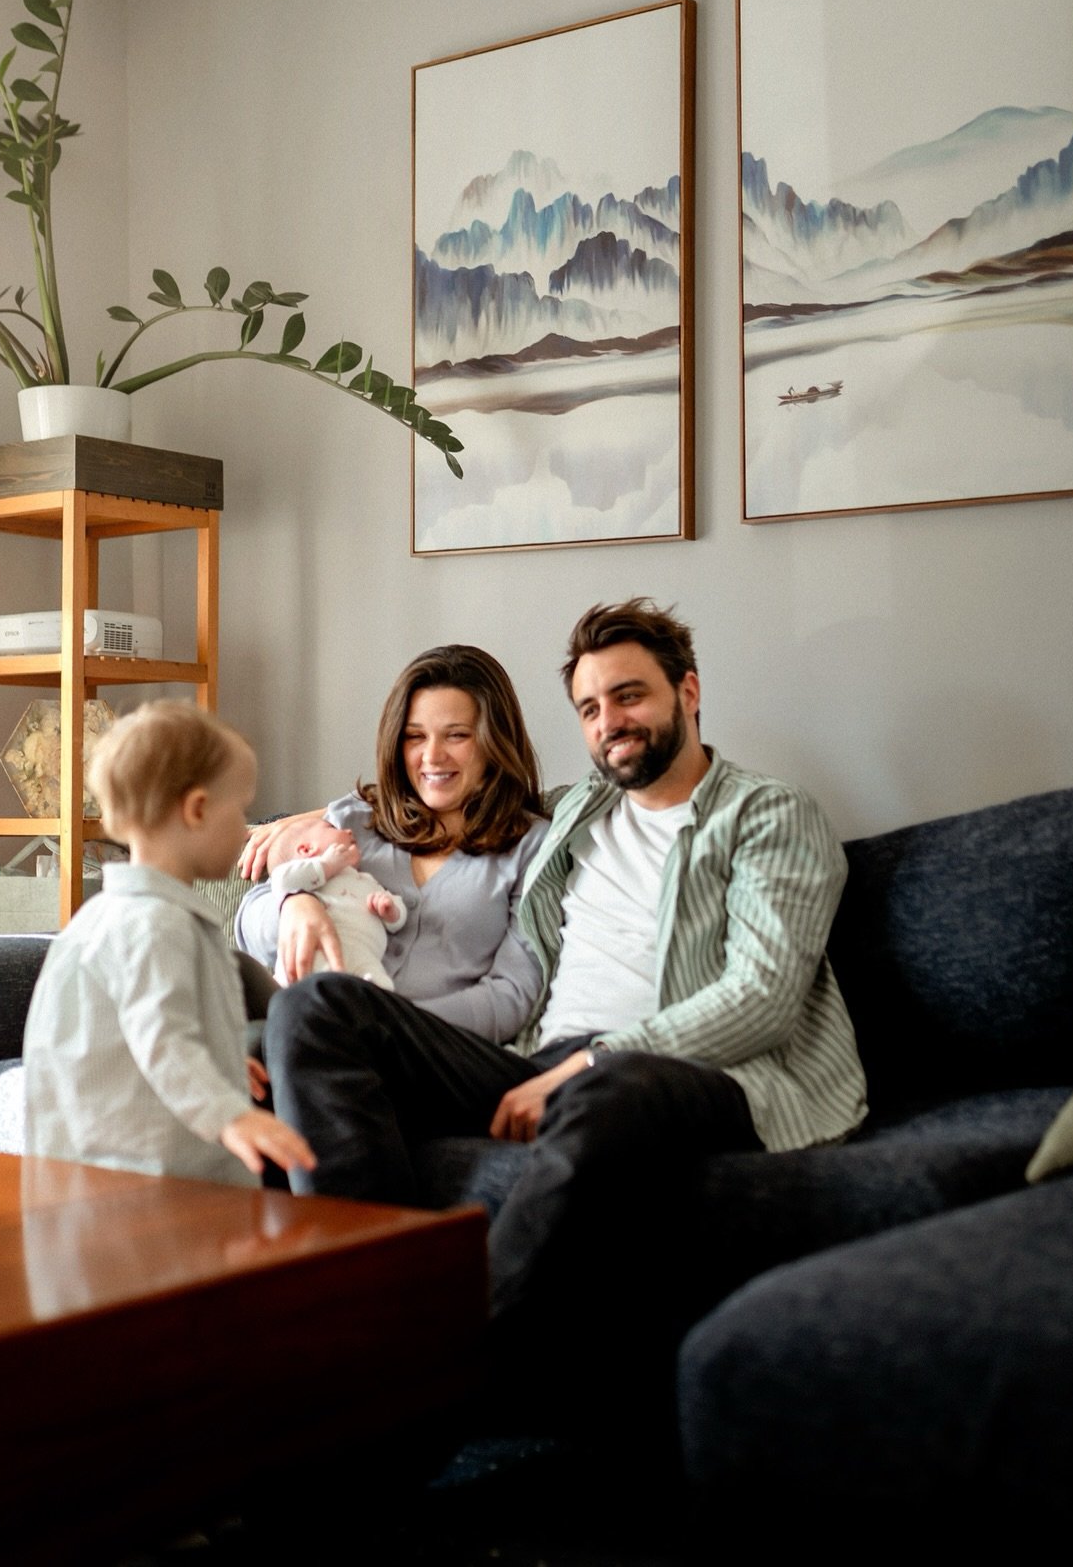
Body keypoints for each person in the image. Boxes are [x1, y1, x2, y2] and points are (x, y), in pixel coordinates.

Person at [263, 599, 867, 1412]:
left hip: (688, 1072)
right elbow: (450, 785)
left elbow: (761, 999)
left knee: (614, 1087)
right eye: (590, 708)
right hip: (544, 1062)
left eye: (631, 696)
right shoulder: (575, 812)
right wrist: (321, 825)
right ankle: (383, 1301)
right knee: (317, 1010)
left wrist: (591, 1061)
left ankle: (436, 1374)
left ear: (688, 692)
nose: (610, 721)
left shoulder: (769, 814)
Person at [23, 699, 315, 1188]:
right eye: (240, 808)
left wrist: (217, 1056)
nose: (247, 828)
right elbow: (162, 1041)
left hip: (97, 1179)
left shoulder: (108, 916)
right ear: (197, 809)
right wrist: (231, 1115)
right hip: (139, 1187)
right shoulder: (157, 925)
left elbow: (136, 1031)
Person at [236, 643, 550, 1045]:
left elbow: (512, 994)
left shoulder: (532, 847)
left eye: (456, 735)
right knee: (234, 979)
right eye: (415, 737)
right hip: (316, 1031)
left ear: (494, 741)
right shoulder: (355, 819)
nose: (432, 756)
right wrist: (293, 903)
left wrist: (384, 1025)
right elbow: (248, 922)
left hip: (430, 1051)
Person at [262, 815, 406, 990]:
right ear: (307, 849)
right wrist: (326, 865)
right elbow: (282, 881)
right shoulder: (311, 880)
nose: (348, 830)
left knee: (379, 984)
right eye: (332, 828)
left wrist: (392, 911)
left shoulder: (366, 879)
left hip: (365, 954)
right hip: (319, 950)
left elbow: (397, 916)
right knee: (321, 983)